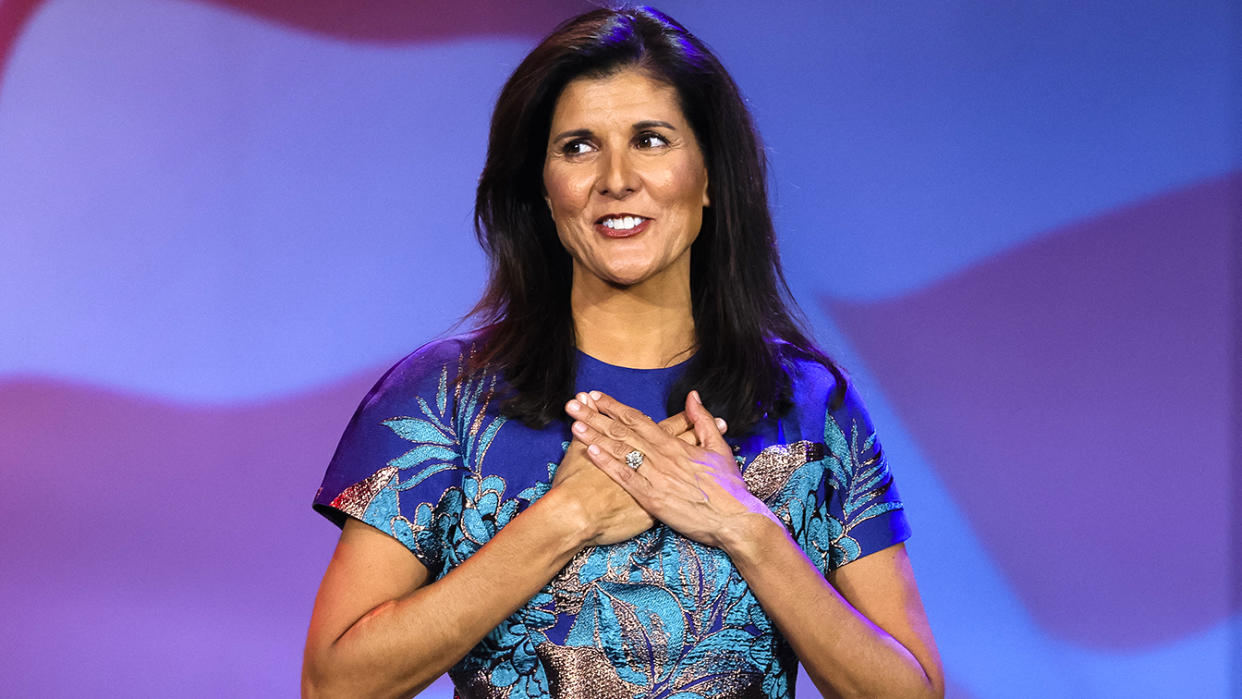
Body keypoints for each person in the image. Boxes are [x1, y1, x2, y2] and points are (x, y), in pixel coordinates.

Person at [302, 6, 943, 698]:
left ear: (709, 178)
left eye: (651, 140)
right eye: (578, 146)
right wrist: (562, 521)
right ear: (543, 191)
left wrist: (747, 529)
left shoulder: (808, 403)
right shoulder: (446, 397)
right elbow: (334, 684)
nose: (615, 178)